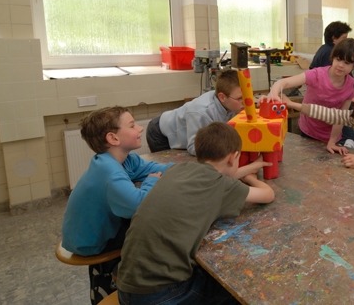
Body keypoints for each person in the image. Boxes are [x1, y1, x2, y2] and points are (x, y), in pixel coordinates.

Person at [116, 122, 275, 305]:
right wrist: (250, 178)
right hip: (162, 295)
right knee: (239, 290)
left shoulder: (177, 169)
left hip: (127, 286)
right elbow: (268, 195)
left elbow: (219, 175)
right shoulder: (220, 185)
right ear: (234, 157)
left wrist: (248, 169)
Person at [61, 106, 174, 305]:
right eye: (132, 125)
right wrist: (150, 181)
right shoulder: (110, 172)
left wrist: (193, 169)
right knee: (156, 226)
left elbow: (156, 168)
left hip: (93, 229)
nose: (140, 129)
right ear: (113, 139)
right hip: (90, 241)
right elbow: (139, 206)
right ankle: (123, 275)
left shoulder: (123, 160)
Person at [265, 38, 354, 154]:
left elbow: (341, 117)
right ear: (332, 57)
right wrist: (273, 93)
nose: (341, 65)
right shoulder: (316, 74)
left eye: (347, 63)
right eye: (338, 59)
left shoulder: (352, 86)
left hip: (331, 134)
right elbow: (283, 83)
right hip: (308, 129)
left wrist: (332, 142)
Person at [145, 69, 245, 156]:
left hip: (181, 133)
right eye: (240, 98)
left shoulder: (233, 104)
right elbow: (194, 148)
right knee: (169, 171)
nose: (245, 102)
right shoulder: (201, 112)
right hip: (160, 133)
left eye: (247, 96)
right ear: (222, 97)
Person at [309, 21, 354, 149]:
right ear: (334, 38)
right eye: (343, 39)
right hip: (328, 109)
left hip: (321, 112)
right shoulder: (331, 52)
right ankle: (348, 141)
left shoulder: (322, 49)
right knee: (343, 120)